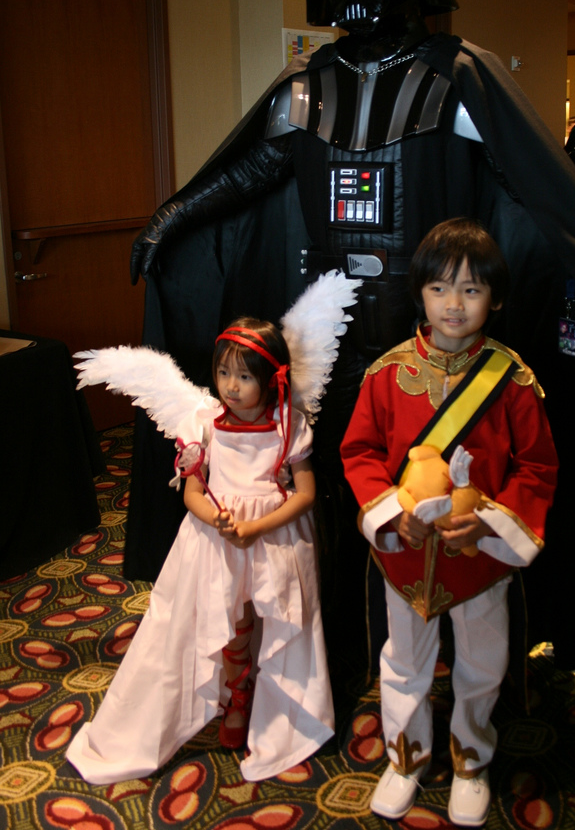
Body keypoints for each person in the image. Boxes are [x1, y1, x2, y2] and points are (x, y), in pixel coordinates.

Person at [124, 0, 575, 734]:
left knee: (450, 506)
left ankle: (468, 672)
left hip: (439, 345)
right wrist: (172, 218)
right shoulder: (304, 86)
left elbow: (535, 194)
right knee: (345, 506)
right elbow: (251, 173)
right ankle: (343, 657)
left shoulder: (461, 81)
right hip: (332, 343)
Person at [65, 281, 358, 783]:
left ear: (270, 379)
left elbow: (305, 493)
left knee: (274, 620)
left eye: (243, 376)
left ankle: (274, 712)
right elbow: (193, 491)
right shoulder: (206, 424)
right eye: (223, 372)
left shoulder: (289, 423)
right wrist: (215, 518)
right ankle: (235, 694)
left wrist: (257, 526)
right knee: (229, 619)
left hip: (274, 539)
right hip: (216, 540)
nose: (230, 385)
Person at [341, 219, 557, 825]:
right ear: (419, 295)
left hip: (480, 557)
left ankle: (471, 759)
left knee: (483, 662)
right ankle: (405, 757)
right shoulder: (385, 374)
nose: (454, 304)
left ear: (497, 297)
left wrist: (490, 521)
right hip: (405, 554)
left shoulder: (511, 379)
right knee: (403, 663)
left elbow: (537, 466)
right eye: (439, 288)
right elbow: (358, 455)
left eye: (470, 290)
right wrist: (390, 516)